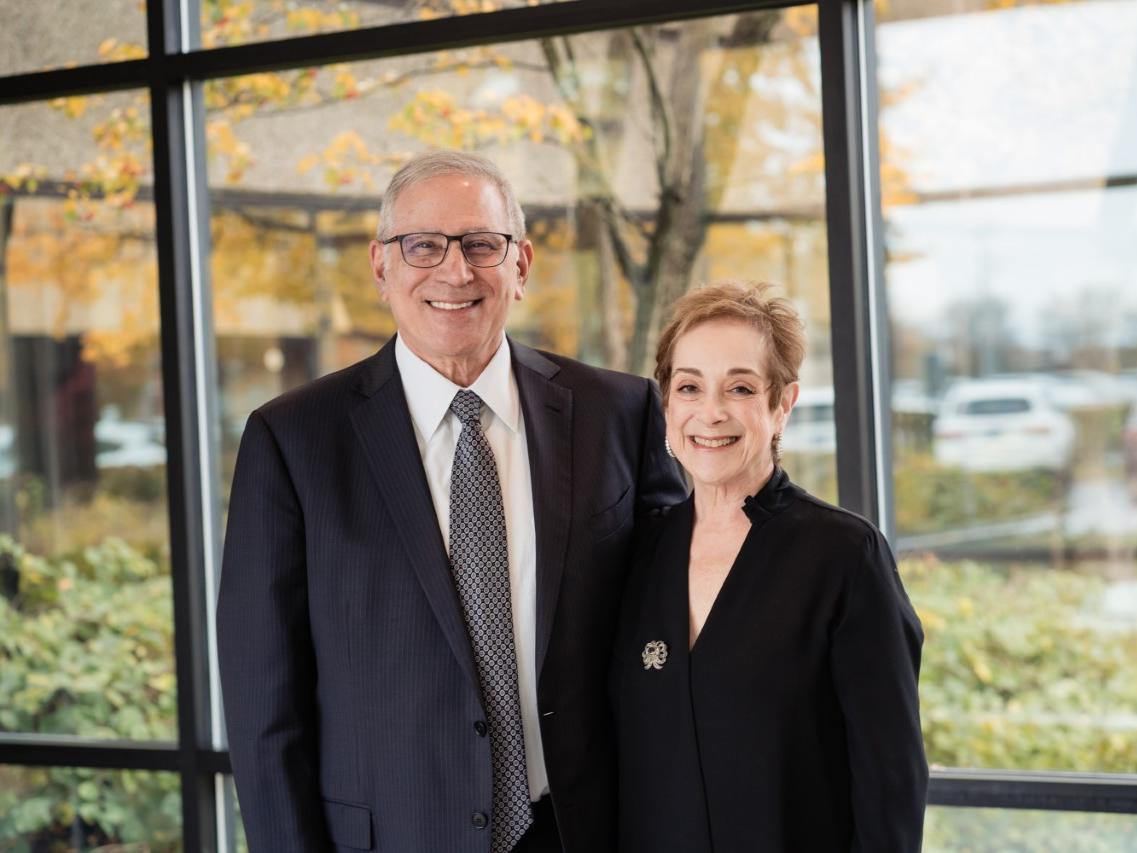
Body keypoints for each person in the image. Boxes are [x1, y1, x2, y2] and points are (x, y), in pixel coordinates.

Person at [217, 150, 686, 853]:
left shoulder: (618, 412)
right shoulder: (292, 440)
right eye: (423, 245)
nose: (455, 270)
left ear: (521, 264)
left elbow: (683, 610)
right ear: (381, 267)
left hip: (586, 828)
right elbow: (264, 709)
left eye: (481, 244)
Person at [612, 281, 928, 852]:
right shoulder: (636, 552)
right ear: (666, 404)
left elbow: (891, 783)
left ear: (782, 404)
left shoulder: (844, 556)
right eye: (689, 387)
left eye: (740, 387)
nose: (711, 412)